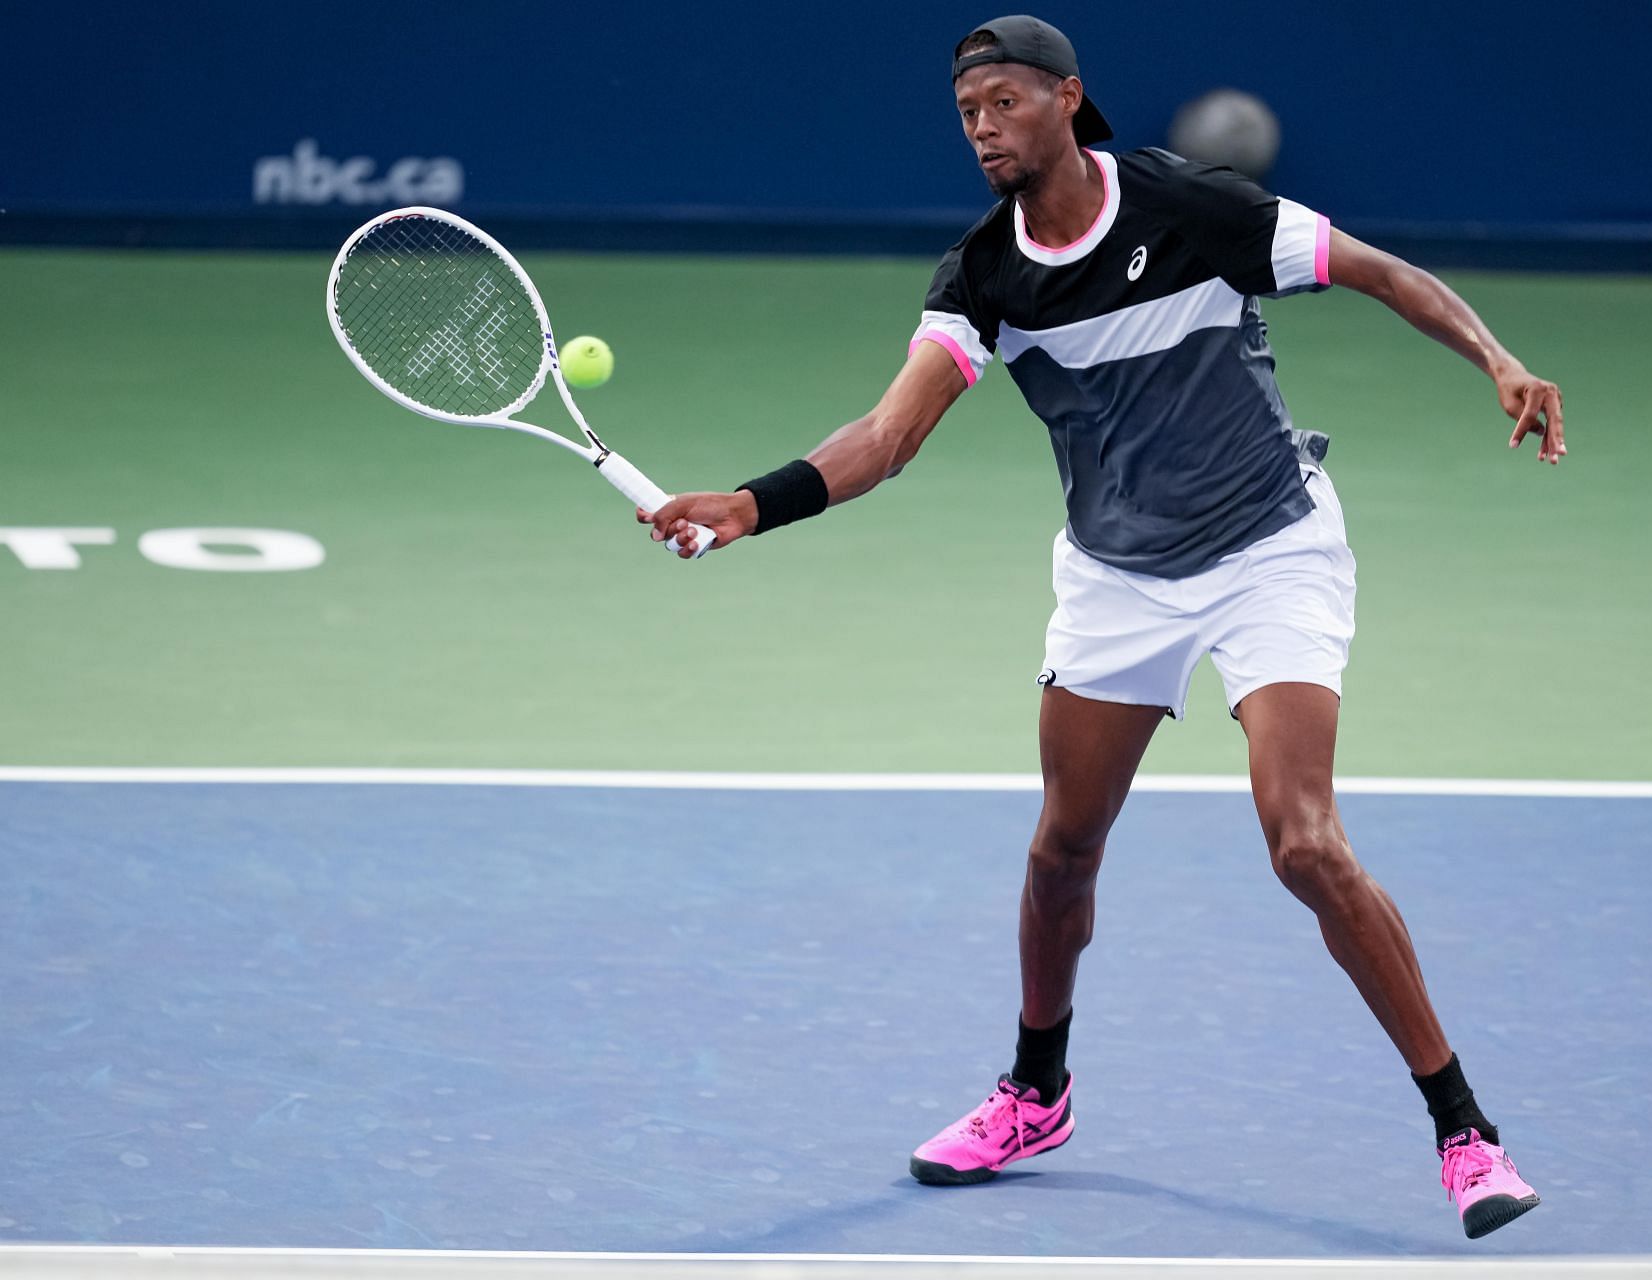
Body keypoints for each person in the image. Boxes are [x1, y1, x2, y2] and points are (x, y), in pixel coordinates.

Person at [641, 14, 1563, 1240]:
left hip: (1268, 546)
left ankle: (1465, 1130)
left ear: (1069, 101)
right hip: (1117, 575)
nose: (983, 129)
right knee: (1062, 848)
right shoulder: (981, 277)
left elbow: (1383, 271)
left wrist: (1497, 359)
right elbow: (886, 438)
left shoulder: (1196, 209)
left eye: (1006, 103)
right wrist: (753, 504)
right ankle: (1035, 1090)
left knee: (1302, 842)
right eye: (968, 112)